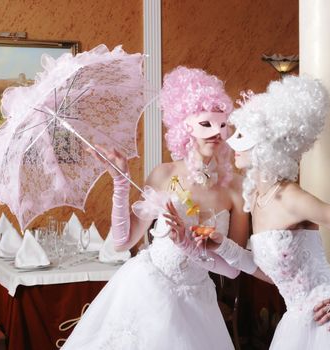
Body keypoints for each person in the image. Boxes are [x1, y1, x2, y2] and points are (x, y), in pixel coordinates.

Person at [61, 66, 259, 350]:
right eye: (206, 124)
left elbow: (233, 270)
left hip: (197, 300)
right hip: (146, 289)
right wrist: (120, 181)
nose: (216, 132)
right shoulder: (163, 174)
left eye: (223, 123)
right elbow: (123, 242)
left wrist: (193, 247)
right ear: (184, 126)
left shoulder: (237, 188)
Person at [191, 75, 330, 349]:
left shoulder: (291, 197)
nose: (232, 142)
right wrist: (223, 247)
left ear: (267, 144)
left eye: (242, 135)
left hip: (329, 324)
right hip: (297, 321)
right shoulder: (259, 200)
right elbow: (277, 276)